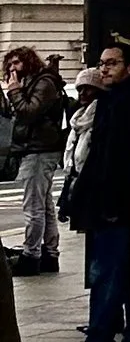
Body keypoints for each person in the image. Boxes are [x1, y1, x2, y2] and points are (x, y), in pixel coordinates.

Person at [58, 43, 130, 342]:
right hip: (118, 203)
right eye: (102, 63)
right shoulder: (117, 101)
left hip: (115, 205)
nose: (104, 69)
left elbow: (111, 161)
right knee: (126, 274)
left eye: (112, 63)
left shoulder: (121, 104)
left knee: (107, 274)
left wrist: (104, 202)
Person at [5, 49, 66, 274]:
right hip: (38, 148)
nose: (12, 68)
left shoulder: (43, 82)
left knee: (33, 205)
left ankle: (31, 255)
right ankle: (50, 253)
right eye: (9, 64)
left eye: (17, 62)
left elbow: (29, 112)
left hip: (39, 149)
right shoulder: (35, 81)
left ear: (28, 62)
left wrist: (14, 92)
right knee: (44, 204)